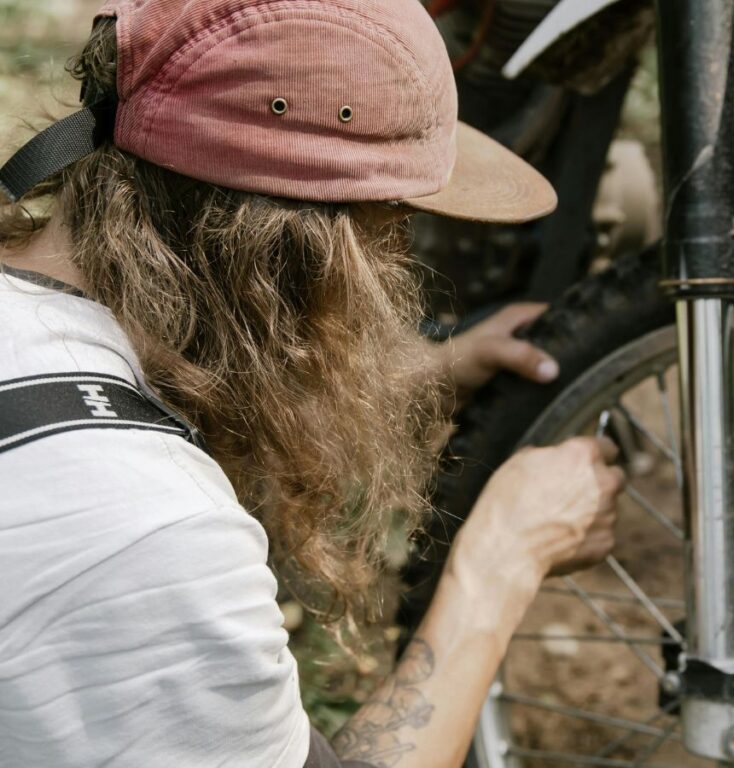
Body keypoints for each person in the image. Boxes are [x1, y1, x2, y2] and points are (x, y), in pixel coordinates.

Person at [0, 1, 625, 766]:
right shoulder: (152, 537)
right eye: (392, 227)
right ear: (305, 254)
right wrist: (500, 560)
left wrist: (423, 369)